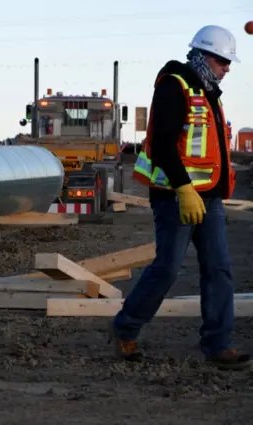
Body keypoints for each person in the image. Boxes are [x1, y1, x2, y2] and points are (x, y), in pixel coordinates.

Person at [109, 25, 250, 370]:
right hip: (176, 197)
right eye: (222, 60)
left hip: (209, 199)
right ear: (203, 56)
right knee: (168, 268)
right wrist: (184, 189)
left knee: (218, 269)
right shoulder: (175, 85)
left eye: (229, 62)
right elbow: (162, 145)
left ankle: (218, 344)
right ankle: (125, 327)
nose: (227, 67)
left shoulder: (209, 90)